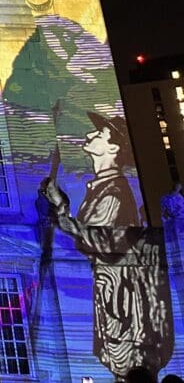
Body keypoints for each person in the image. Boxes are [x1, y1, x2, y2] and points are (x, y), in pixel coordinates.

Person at [41, 112, 174, 378]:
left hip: (121, 293)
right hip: (113, 288)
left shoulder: (114, 192)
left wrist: (61, 211)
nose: (89, 135)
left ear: (113, 148)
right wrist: (61, 206)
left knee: (120, 357)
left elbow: (101, 240)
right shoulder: (103, 188)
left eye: (98, 134)